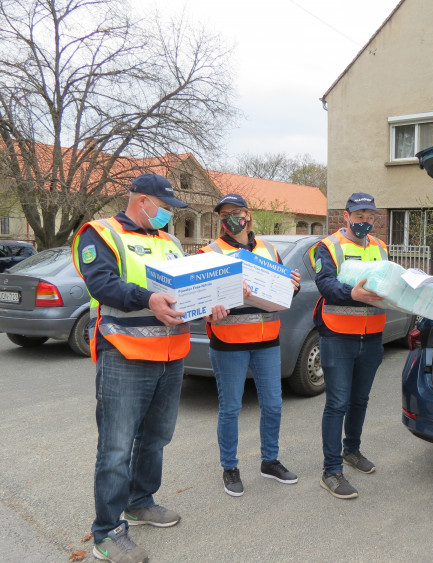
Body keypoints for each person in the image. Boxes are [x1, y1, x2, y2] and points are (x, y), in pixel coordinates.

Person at [72, 174, 190, 563]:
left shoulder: (170, 243)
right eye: (165, 208)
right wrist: (149, 299)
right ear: (142, 202)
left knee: (156, 438)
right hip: (124, 353)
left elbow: (186, 288)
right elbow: (102, 284)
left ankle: (140, 502)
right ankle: (106, 533)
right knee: (116, 447)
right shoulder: (101, 234)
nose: (168, 216)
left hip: (171, 354)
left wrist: (214, 301)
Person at [200, 194, 301, 497]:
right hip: (228, 342)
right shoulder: (210, 252)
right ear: (220, 220)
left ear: (248, 215)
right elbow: (202, 300)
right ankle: (229, 466)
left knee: (273, 405)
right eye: (225, 214)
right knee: (230, 408)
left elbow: (284, 297)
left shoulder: (268, 249)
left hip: (268, 340)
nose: (232, 217)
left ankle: (270, 461)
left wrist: (292, 286)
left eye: (237, 212)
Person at [311, 192, 388, 499]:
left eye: (370, 217)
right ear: (345, 216)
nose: (364, 222)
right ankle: (331, 471)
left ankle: (351, 451)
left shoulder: (380, 247)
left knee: (360, 400)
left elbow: (387, 282)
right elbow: (325, 284)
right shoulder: (328, 246)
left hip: (371, 336)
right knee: (337, 403)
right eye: (359, 217)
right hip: (338, 335)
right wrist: (352, 294)